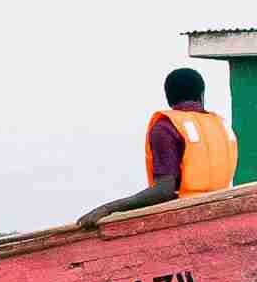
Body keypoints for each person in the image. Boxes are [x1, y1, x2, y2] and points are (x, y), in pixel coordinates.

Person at [77, 70, 238, 223]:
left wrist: (109, 209)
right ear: (202, 95)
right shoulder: (221, 125)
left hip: (184, 215)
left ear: (168, 97)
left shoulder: (165, 127)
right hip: (222, 210)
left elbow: (163, 191)